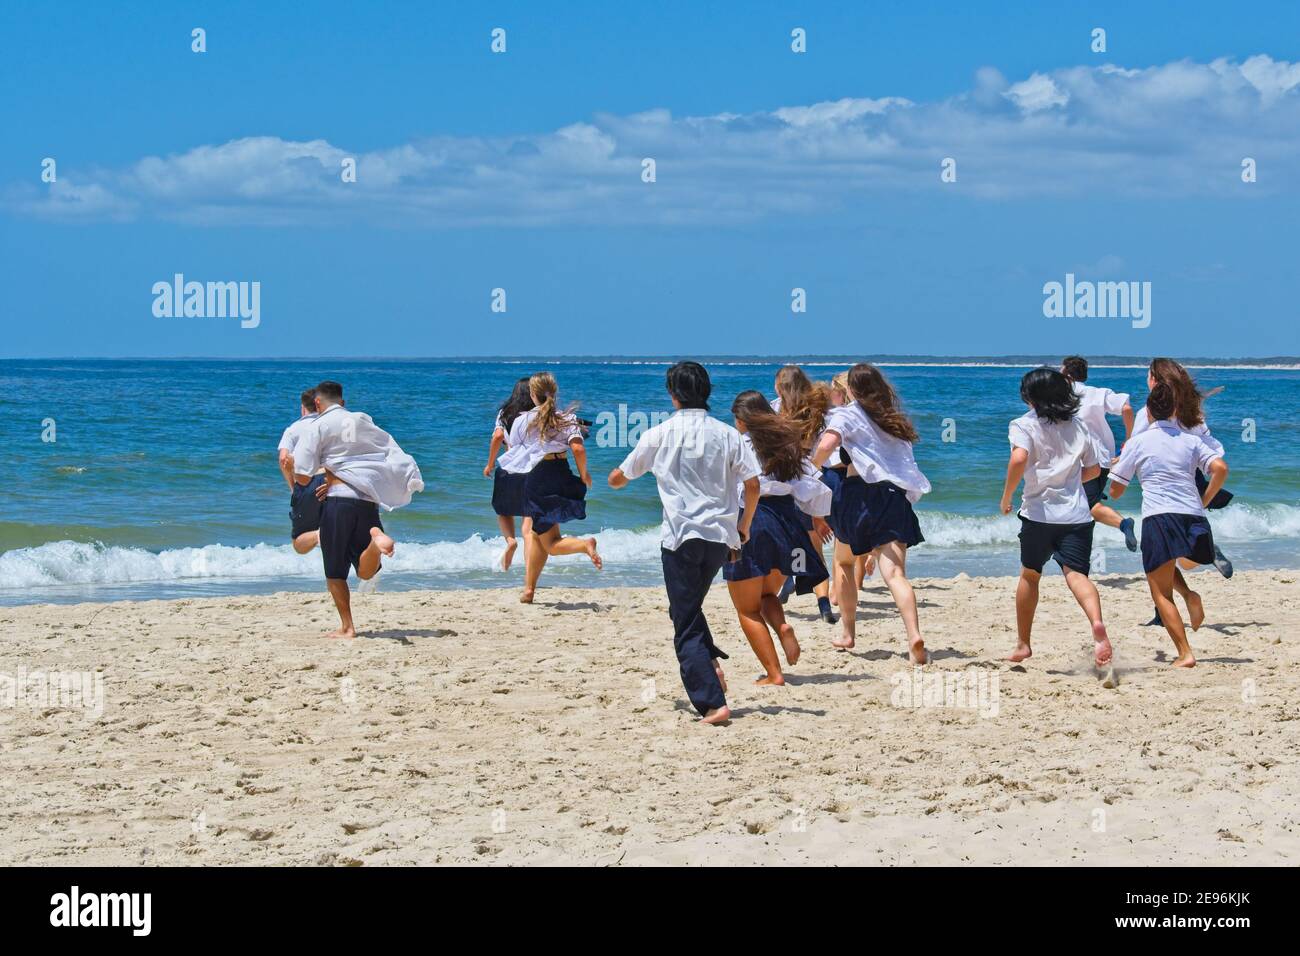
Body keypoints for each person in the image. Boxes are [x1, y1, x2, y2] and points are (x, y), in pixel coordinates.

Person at [609, 361, 761, 725]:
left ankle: (712, 702)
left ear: (673, 394)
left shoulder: (658, 433)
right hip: (718, 539)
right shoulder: (728, 434)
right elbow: (753, 485)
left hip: (679, 538)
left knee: (685, 620)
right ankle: (710, 665)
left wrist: (615, 478)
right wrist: (744, 526)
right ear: (706, 392)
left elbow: (620, 477)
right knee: (686, 608)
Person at [812, 363, 928, 663]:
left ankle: (848, 632)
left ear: (851, 390)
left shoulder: (848, 414)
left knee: (845, 563)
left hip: (859, 498)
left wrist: (811, 468)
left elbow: (827, 444)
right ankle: (914, 634)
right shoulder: (894, 420)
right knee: (896, 574)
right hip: (893, 497)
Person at [1108, 380, 1228, 668]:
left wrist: (1118, 472)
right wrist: (1205, 501)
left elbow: (1115, 491)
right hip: (1193, 516)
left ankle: (1185, 653)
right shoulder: (1191, 440)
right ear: (1175, 410)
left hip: (1160, 518)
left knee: (1160, 591)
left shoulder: (1138, 442)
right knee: (1171, 565)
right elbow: (1220, 468)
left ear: (1148, 412)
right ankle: (1191, 595)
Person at [999, 368, 1113, 667]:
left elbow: (1019, 458)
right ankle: (1097, 623)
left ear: (1030, 397)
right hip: (1076, 514)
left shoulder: (1023, 425)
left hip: (1038, 514)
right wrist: (1072, 479)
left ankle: (1023, 644)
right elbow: (1094, 470)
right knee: (1076, 575)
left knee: (1030, 574)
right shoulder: (1079, 426)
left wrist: (1008, 495)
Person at [293, 381, 423, 639]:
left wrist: (323, 476)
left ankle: (347, 627)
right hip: (367, 500)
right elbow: (388, 449)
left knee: (335, 571)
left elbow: (302, 474)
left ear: (317, 403)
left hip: (338, 501)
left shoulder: (317, 425)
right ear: (342, 402)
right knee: (366, 572)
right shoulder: (362, 419)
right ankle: (375, 543)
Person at [724, 391, 832, 685]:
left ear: (743, 420)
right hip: (788, 523)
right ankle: (782, 626)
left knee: (747, 609)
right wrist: (818, 518)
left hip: (753, 521)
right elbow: (813, 486)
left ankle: (774, 674)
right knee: (767, 594)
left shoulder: (739, 446)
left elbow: (732, 489)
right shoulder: (787, 446)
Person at [498, 372, 601, 603]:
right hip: (562, 472)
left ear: (533, 395)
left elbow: (514, 452)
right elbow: (579, 449)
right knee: (537, 532)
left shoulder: (522, 420)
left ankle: (585, 545)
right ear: (553, 393)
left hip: (537, 477)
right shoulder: (567, 418)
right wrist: (584, 474)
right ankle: (529, 590)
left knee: (550, 543)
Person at [773, 365, 838, 623]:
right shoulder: (818, 412)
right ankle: (824, 605)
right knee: (814, 546)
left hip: (784, 481)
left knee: (782, 540)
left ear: (781, 387)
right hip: (810, 480)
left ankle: (787, 580)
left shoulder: (776, 410)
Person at [1060, 356, 1138, 551]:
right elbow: (1126, 408)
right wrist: (1129, 440)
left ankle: (1123, 524)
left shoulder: (1061, 396)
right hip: (1102, 458)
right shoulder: (1098, 393)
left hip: (1076, 460)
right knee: (1083, 505)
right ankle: (1076, 547)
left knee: (1087, 505)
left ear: (1067, 375)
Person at [483, 377, 536, 572]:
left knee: (503, 510)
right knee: (529, 527)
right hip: (533, 470)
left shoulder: (504, 413)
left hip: (508, 468)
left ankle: (510, 541)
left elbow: (498, 437)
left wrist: (489, 464)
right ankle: (529, 576)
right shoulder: (537, 414)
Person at [278, 388, 323, 555]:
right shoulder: (331, 425)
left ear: (303, 408)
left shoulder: (293, 429)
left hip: (308, 482)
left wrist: (293, 488)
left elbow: (284, 460)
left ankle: (321, 534)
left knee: (299, 543)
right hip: (335, 482)